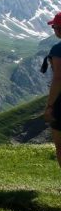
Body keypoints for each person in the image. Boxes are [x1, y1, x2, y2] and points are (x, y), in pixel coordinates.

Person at [43, 12, 61, 169]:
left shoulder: (58, 49)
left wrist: (50, 106)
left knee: (60, 145)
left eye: (54, 26)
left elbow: (58, 79)